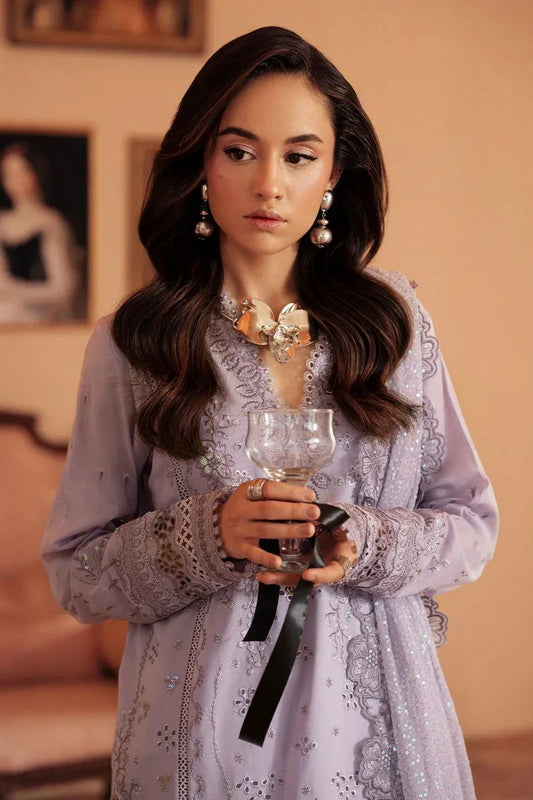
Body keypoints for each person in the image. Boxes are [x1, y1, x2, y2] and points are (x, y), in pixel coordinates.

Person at [42, 26, 497, 800]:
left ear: (333, 173)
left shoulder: (394, 323)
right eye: (239, 151)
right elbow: (77, 573)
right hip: (205, 737)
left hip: (386, 725)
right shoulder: (136, 342)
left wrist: (363, 542)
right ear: (200, 162)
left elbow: (470, 524)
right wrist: (206, 536)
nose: (268, 186)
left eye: (298, 156)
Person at [0, 142, 82, 323]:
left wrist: (14, 290)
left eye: (22, 171)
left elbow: (63, 289)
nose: (15, 180)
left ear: (36, 173)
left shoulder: (51, 223)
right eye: (9, 174)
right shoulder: (3, 223)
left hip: (41, 315)